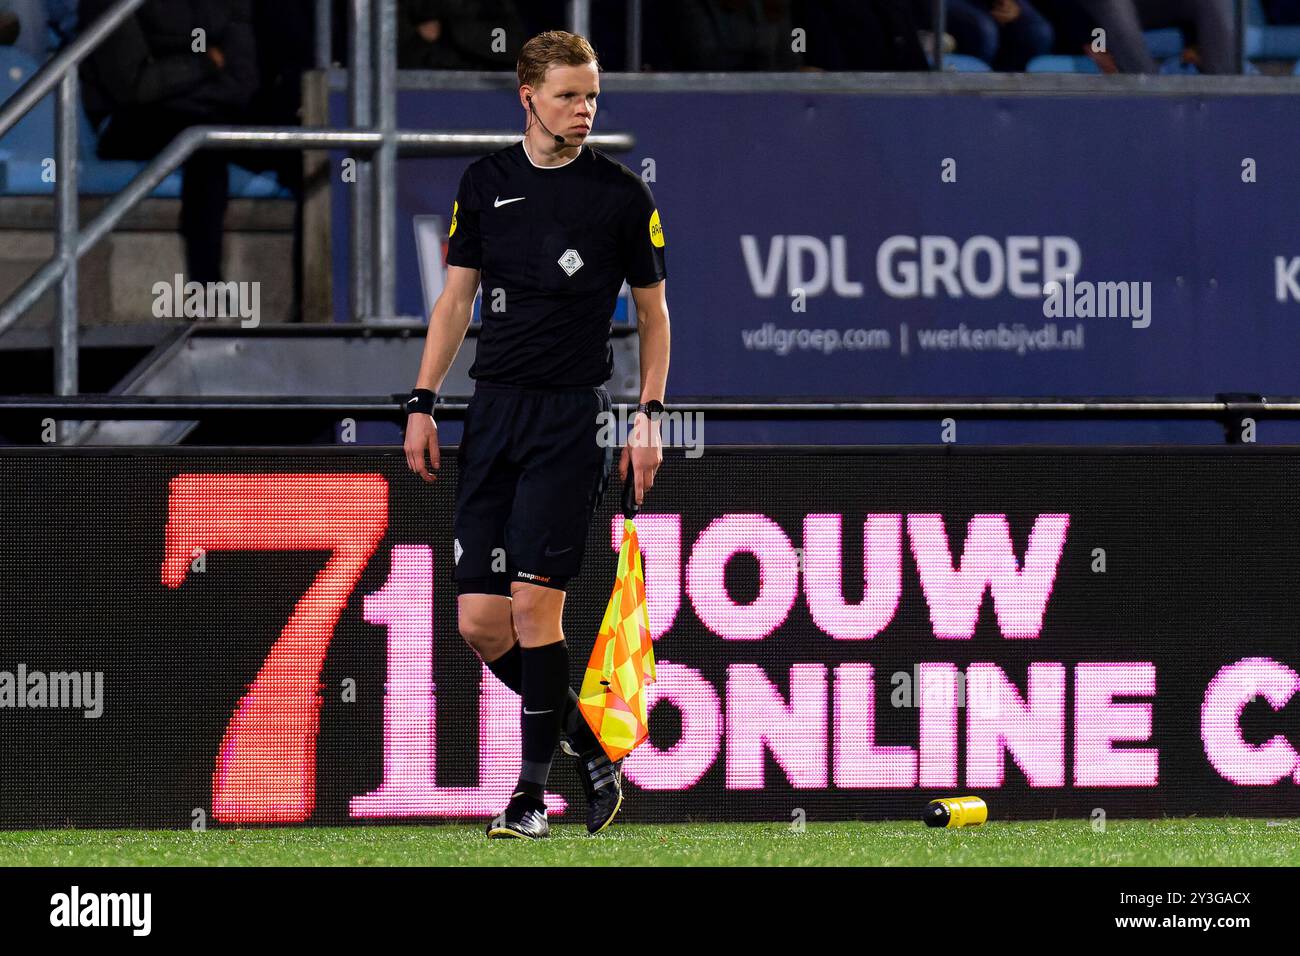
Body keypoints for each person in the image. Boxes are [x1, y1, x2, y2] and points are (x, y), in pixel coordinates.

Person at [402, 30, 670, 840]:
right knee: (479, 625)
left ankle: (528, 797)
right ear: (527, 96)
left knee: (532, 611)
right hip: (491, 414)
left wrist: (648, 416)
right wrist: (423, 399)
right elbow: (454, 303)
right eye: (567, 95)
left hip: (567, 419)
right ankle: (594, 751)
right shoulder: (484, 183)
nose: (583, 110)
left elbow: (655, 317)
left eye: (591, 95)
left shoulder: (622, 195)